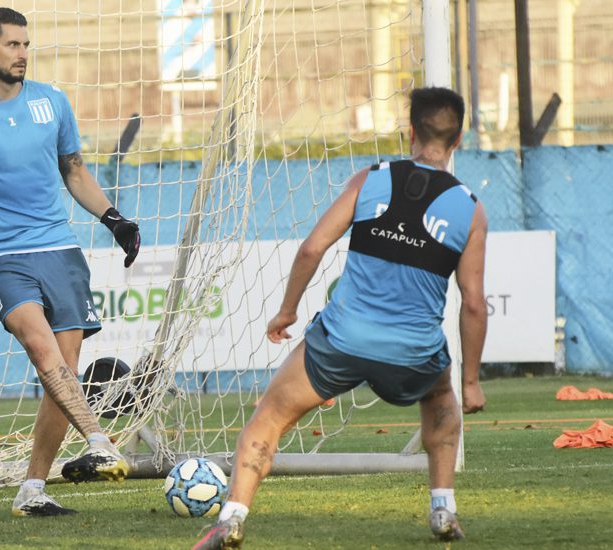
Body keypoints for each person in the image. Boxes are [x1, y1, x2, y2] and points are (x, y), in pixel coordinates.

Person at [193, 87, 488, 549]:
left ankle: (232, 518)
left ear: (409, 131)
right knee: (441, 405)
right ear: (459, 138)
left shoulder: (369, 180)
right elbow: (473, 302)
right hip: (413, 352)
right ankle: (442, 508)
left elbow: (312, 247)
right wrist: (470, 381)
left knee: (268, 417)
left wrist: (287, 310)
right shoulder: (470, 209)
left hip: (341, 341)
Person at [0, 7, 140, 517]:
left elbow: (75, 170)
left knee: (62, 373)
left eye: (26, 45)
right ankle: (100, 443)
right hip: (3, 258)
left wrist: (114, 219)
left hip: (60, 251)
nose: (22, 54)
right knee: (43, 352)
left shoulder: (52, 101)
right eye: (12, 45)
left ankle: (31, 491)